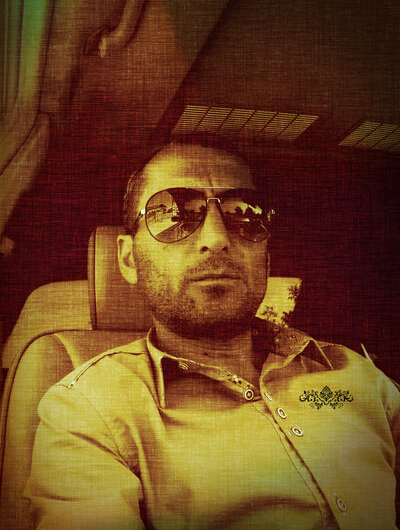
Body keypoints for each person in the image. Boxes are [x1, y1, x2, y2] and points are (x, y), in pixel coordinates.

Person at [25, 134, 400, 529]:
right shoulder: (89, 408)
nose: (217, 238)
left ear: (266, 256)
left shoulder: (356, 374)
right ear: (129, 259)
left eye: (244, 213)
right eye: (175, 215)